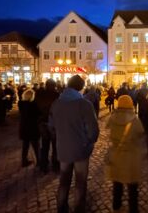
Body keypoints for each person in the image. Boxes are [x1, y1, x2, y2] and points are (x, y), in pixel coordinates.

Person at [49, 75, 99, 213]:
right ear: (81, 87)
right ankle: (78, 209)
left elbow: (51, 127)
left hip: (63, 149)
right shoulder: (84, 104)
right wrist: (88, 142)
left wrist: (61, 139)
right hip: (80, 150)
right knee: (80, 183)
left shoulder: (56, 103)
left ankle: (61, 209)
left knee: (64, 182)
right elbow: (94, 130)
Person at [106, 95, 144, 213]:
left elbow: (109, 129)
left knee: (117, 184)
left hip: (116, 156)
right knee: (132, 187)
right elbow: (140, 134)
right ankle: (133, 209)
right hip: (131, 157)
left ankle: (116, 205)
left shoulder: (112, 118)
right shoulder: (134, 120)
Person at [35, 79, 60, 173]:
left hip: (43, 123)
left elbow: (36, 108)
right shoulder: (56, 95)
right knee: (55, 145)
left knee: (45, 145)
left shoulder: (39, 94)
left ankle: (44, 166)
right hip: (53, 123)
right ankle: (55, 165)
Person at [18, 89, 40, 167]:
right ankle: (39, 161)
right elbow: (38, 114)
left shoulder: (21, 103)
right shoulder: (33, 104)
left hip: (24, 127)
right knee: (36, 146)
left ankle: (24, 161)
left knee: (25, 146)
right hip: (32, 127)